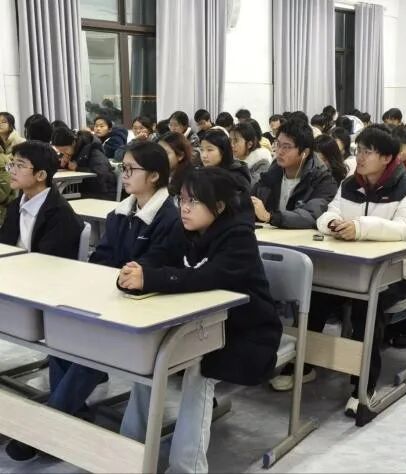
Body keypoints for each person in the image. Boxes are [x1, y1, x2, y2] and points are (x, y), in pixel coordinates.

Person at [4, 141, 179, 461]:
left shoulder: (170, 218)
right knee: (63, 333)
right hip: (114, 299)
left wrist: (113, 282)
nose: (124, 175)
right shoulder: (121, 212)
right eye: (123, 168)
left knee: (90, 347)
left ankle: (48, 426)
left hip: (149, 309)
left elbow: (150, 267)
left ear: (154, 176)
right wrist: (99, 282)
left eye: (131, 169)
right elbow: (103, 256)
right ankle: (72, 411)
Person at [117, 167, 282, 474]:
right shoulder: (184, 229)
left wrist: (150, 278)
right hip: (195, 327)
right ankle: (130, 451)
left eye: (193, 201)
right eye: (181, 199)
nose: (184, 208)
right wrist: (135, 271)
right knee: (149, 358)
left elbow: (208, 277)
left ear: (218, 206)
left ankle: (186, 468)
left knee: (199, 370)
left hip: (245, 332)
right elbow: (158, 255)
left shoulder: (239, 237)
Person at [269, 125, 406, 417]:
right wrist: (332, 224)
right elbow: (330, 211)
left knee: (368, 307)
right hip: (349, 269)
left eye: (368, 152)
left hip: (395, 273)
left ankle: (363, 384)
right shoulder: (351, 183)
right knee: (315, 297)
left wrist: (360, 228)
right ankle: (305, 363)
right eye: (358, 150)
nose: (360, 157)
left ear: (386, 157)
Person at [0, 140, 82, 259]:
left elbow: (48, 261)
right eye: (12, 164)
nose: (12, 171)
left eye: (20, 166)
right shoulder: (15, 206)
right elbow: (4, 245)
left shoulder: (59, 214)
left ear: (41, 175)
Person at [251, 119, 337, 229]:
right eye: (278, 144)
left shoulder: (322, 180)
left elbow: (311, 216)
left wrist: (269, 217)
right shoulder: (272, 173)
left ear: (305, 152)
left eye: (286, 147)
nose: (279, 151)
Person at [50, 127, 117, 200]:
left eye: (65, 150)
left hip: (103, 193)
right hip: (85, 190)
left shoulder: (92, 150)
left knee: (61, 199)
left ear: (73, 143)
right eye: (60, 151)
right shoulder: (72, 151)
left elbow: (101, 174)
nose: (63, 153)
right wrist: (64, 164)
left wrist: (77, 168)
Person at [0, 112, 24, 224]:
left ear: (11, 124)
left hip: (17, 183)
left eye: (3, 122)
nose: (0, 124)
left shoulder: (20, 142)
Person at [158, 132, 194, 197]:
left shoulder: (190, 181)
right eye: (158, 153)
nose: (159, 157)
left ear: (180, 156)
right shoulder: (157, 174)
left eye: (165, 153)